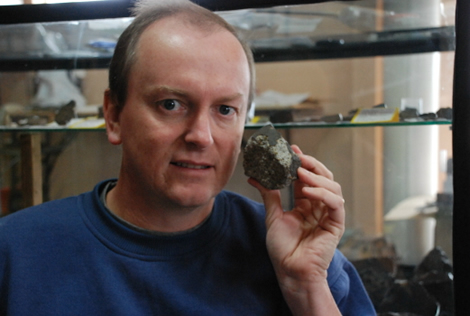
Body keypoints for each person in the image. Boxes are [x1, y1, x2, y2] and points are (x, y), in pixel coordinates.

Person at [0, 0, 375, 315]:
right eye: (171, 104)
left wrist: (305, 287)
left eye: (225, 110)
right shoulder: (16, 253)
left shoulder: (297, 252)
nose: (200, 136)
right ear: (113, 116)